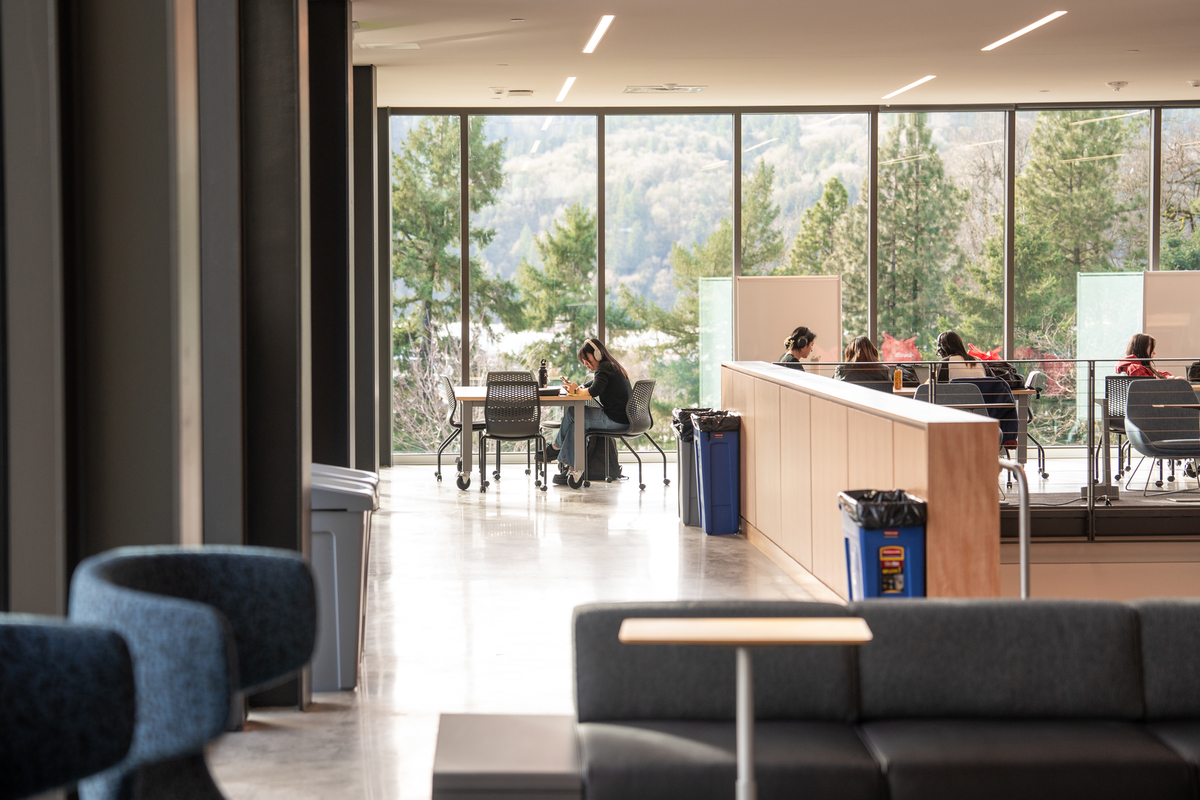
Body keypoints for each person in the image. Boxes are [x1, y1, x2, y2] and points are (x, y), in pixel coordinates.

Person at [545, 338, 632, 483]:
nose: (585, 363)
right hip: (621, 418)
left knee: (574, 413)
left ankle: (556, 448)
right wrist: (576, 388)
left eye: (587, 359)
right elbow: (589, 385)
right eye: (583, 360)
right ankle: (571, 471)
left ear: (597, 354)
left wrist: (577, 391)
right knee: (577, 422)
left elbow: (593, 391)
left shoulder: (604, 367)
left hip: (616, 420)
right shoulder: (610, 366)